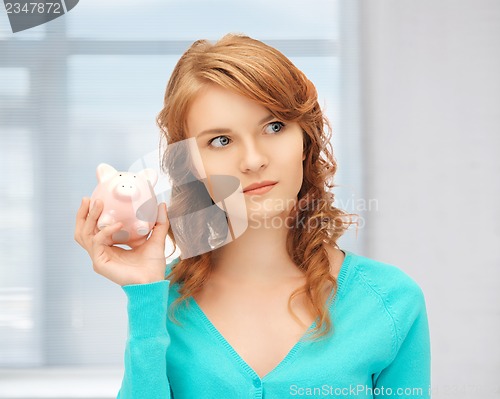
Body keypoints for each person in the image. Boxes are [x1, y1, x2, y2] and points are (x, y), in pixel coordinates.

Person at [74, 33, 431, 399]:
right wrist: (144, 293)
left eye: (274, 127)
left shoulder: (391, 301)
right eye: (221, 141)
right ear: (190, 166)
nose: (253, 160)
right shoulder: (160, 300)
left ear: (305, 141)